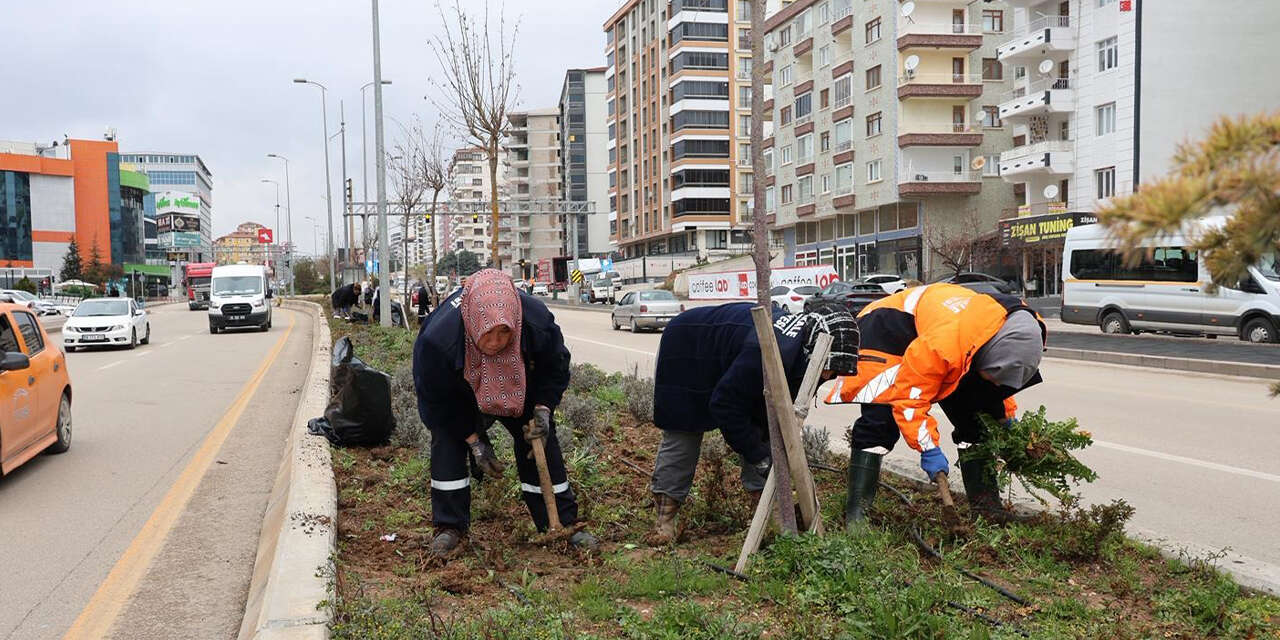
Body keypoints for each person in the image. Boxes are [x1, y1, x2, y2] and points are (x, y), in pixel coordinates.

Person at [827, 283, 1046, 527]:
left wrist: (1006, 420)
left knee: (976, 421)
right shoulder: (945, 344)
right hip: (886, 329)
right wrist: (928, 449)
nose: (995, 382)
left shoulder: (1009, 334)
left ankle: (987, 510)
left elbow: (994, 390)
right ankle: (857, 517)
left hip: (936, 329)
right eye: (993, 375)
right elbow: (910, 398)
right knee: (879, 423)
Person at [413, 269, 597, 556]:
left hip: (520, 383)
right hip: (461, 391)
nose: (496, 341)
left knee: (539, 440)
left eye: (504, 332)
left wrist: (543, 409)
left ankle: (561, 520)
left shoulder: (535, 321)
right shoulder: (438, 339)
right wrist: (474, 441)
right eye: (488, 332)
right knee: (448, 441)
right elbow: (437, 401)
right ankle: (450, 526)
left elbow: (555, 367)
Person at [648, 302, 860, 543]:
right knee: (684, 433)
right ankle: (664, 521)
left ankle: (770, 520)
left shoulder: (805, 352)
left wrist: (770, 453)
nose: (830, 376)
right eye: (829, 368)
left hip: (733, 356)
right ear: (811, 349)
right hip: (688, 346)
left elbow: (771, 417)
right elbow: (726, 406)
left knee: (764, 433)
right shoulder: (766, 351)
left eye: (835, 371)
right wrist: (758, 456)